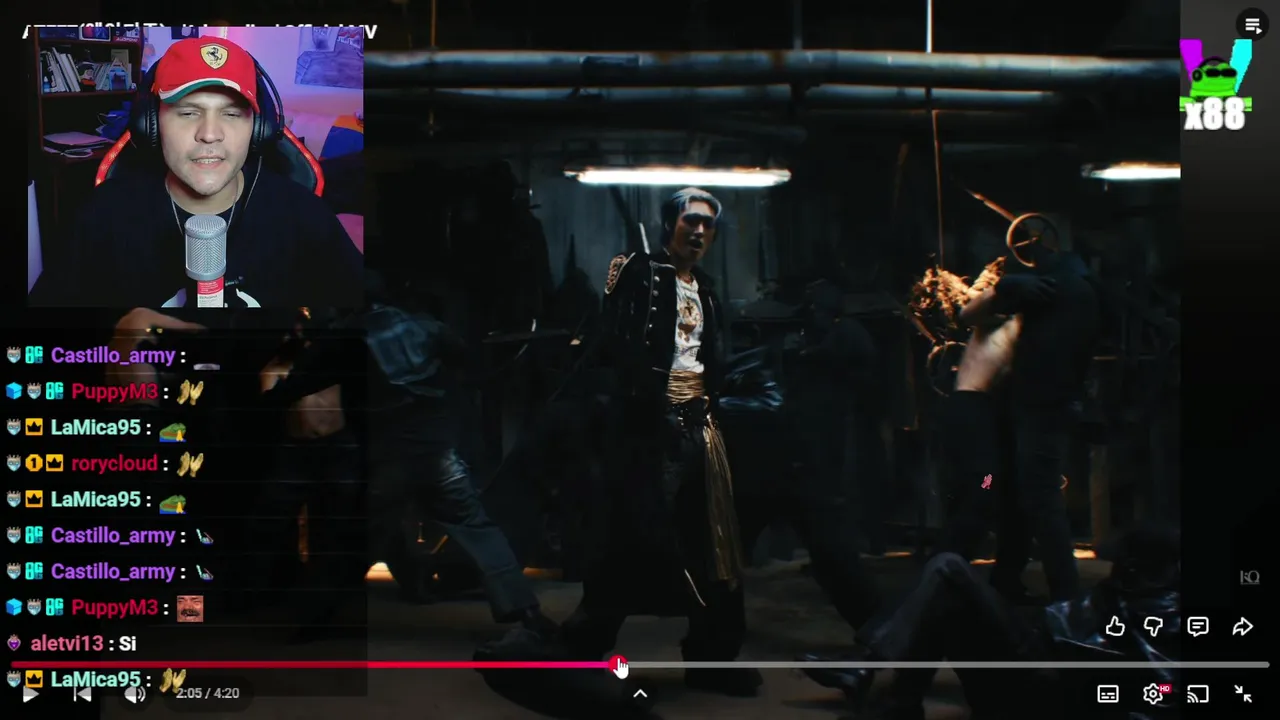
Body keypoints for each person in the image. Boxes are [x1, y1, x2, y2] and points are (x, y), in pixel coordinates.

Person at [267, 271, 560, 652]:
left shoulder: (345, 339)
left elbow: (299, 383)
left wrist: (267, 396)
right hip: (437, 457)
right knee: (478, 530)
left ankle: (312, 621)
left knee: (352, 541)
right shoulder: (424, 327)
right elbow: (475, 367)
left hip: (391, 460)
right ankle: (528, 613)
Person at [559, 188, 760, 696]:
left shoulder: (708, 290)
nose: (699, 231)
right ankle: (579, 652)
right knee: (632, 539)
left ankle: (713, 660)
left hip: (701, 427)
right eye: (690, 220)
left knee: (714, 546)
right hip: (648, 429)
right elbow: (612, 343)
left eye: (707, 225)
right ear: (671, 224)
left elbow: (710, 358)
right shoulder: (639, 272)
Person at [31, 37, 362, 309]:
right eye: (188, 112)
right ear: (151, 125)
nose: (209, 134)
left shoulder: (305, 214)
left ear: (259, 129)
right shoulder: (101, 215)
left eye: (232, 114)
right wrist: (111, 355)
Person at [801, 524, 1180, 719]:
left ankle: (870, 670)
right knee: (946, 593)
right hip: (1039, 655)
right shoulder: (1124, 591)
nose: (1115, 567)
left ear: (1139, 566)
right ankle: (897, 700)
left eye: (1122, 561)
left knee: (948, 569)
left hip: (1049, 680)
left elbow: (1162, 686)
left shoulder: (1162, 610)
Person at [961, 235, 1099, 602]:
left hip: (993, 409)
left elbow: (967, 315)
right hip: (1003, 409)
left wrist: (1004, 288)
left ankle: (1058, 592)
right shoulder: (1066, 296)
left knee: (1001, 487)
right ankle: (1007, 577)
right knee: (1008, 488)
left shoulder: (1031, 298)